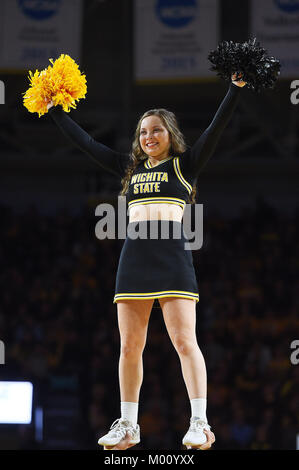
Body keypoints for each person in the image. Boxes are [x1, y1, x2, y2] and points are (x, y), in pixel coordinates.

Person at [46, 72, 246, 450]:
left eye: (156, 130)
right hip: (134, 258)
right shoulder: (129, 169)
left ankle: (200, 423)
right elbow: (87, 143)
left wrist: (234, 89)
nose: (148, 137)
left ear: (170, 134)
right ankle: (128, 425)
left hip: (171, 257)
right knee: (128, 347)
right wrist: (55, 110)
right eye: (142, 132)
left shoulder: (185, 166)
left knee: (186, 342)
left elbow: (217, 127)